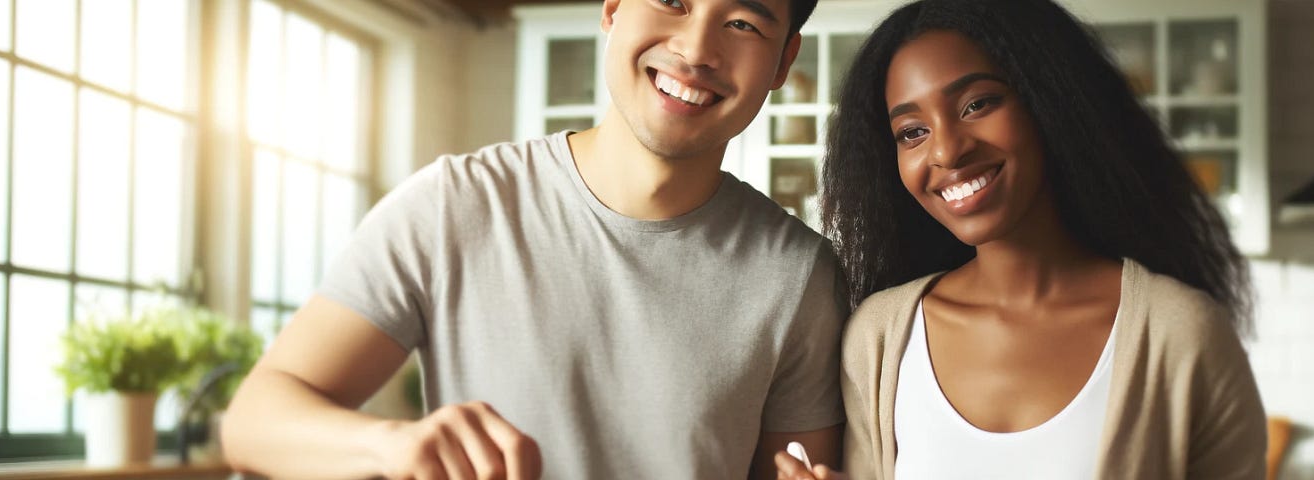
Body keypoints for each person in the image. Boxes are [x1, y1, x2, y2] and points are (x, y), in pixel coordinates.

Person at [221, 0, 850, 478]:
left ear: (784, 62)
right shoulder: (454, 205)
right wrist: (392, 445)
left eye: (742, 23)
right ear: (612, 8)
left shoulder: (799, 274)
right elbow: (253, 421)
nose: (696, 48)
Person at [774, 0, 1264, 478]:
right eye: (912, 132)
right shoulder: (879, 339)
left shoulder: (1181, 335)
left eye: (978, 104)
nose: (947, 149)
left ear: (1049, 101)